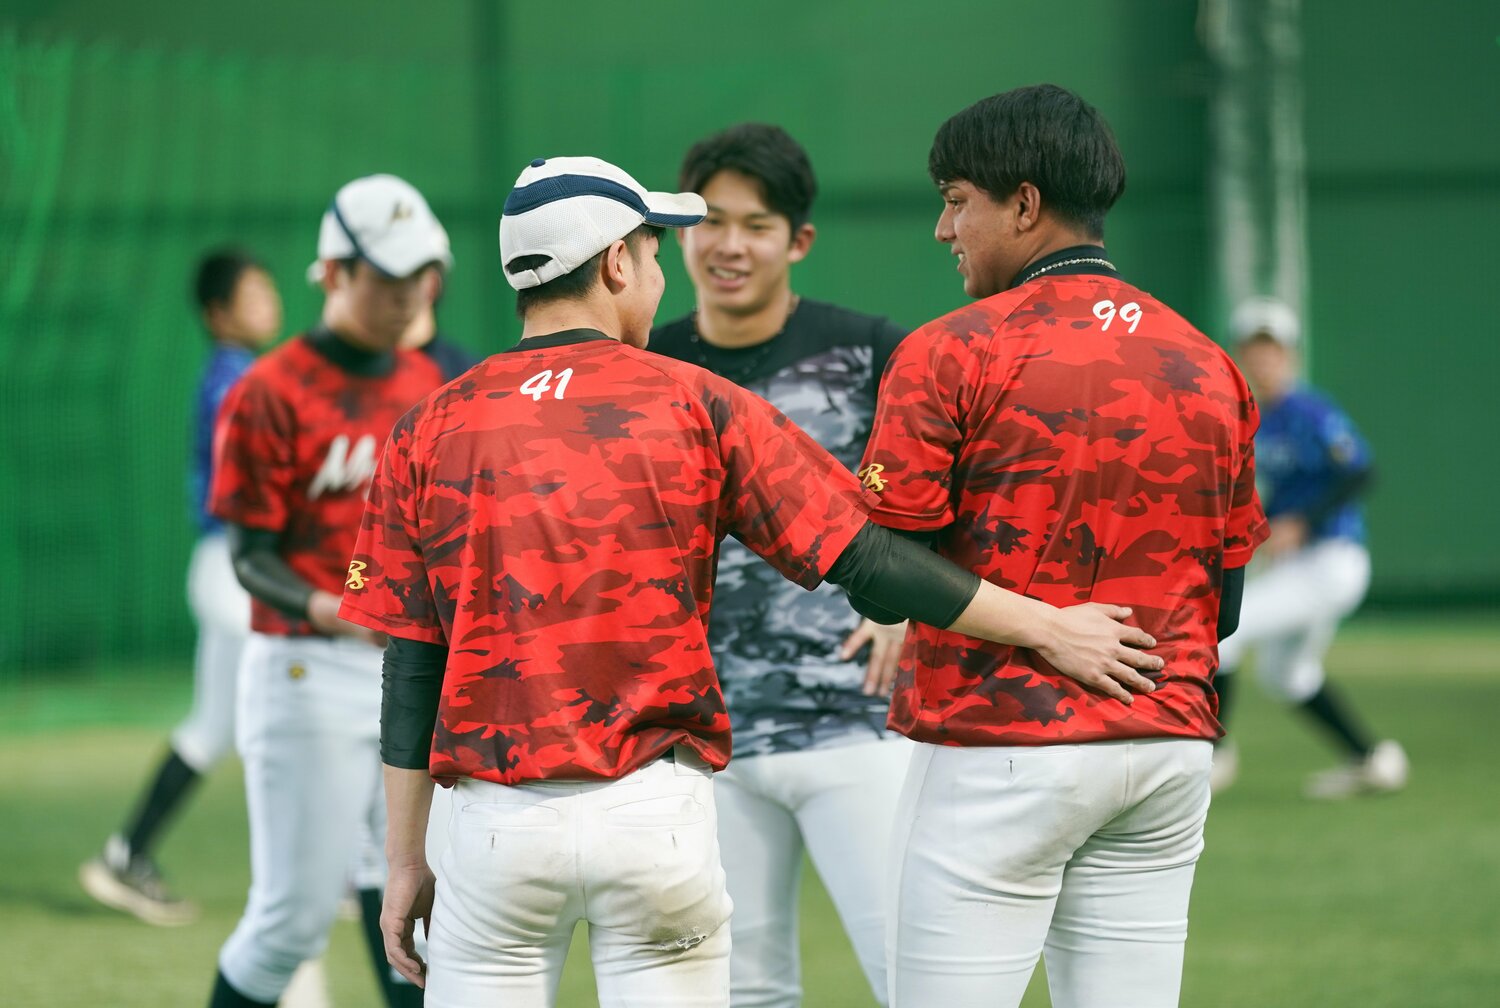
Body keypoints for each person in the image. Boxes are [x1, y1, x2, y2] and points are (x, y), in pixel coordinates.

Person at [337, 154, 1164, 1008]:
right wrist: (1048, 625)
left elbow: (412, 662)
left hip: (488, 831)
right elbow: (870, 561)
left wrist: (404, 860)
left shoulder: (426, 426)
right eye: (654, 253)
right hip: (652, 818)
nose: (660, 276)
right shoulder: (695, 399)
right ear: (616, 261)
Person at [857, 84, 1268, 1008]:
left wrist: (1045, 628)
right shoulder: (1210, 363)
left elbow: (880, 582)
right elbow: (1226, 606)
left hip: (999, 747)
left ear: (1024, 204)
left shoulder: (950, 349)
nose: (943, 228)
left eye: (956, 200)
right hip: (1165, 749)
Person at [649, 123, 909, 1007]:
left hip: (859, 720)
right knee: (743, 988)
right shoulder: (646, 367)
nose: (729, 245)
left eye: (755, 225)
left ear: (798, 240)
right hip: (703, 741)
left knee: (918, 974)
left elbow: (947, 498)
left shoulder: (872, 351)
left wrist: (906, 607)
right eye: (711, 221)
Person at [204, 173, 452, 1008]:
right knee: (290, 924)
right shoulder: (269, 389)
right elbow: (249, 555)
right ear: (333, 272)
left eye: (420, 273)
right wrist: (338, 608)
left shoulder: (425, 383)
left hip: (407, 674)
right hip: (307, 672)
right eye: (387, 274)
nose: (406, 293)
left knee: (418, 917)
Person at [80, 249, 281, 928]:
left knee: (213, 727)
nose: (267, 301)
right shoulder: (236, 382)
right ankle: (340, 872)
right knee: (290, 718)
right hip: (237, 571)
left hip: (229, 569)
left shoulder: (242, 375)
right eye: (251, 294)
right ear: (217, 314)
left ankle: (125, 855)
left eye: (267, 289)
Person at [1210, 297, 1407, 798]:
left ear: (1291, 355)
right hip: (1302, 564)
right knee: (1287, 675)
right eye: (1254, 350)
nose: (1263, 360)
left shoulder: (1309, 409)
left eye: (1272, 349)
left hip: (1332, 558)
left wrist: (1302, 521)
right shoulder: (1256, 418)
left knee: (1225, 634)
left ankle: (1214, 757)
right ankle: (1373, 761)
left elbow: (1361, 471)